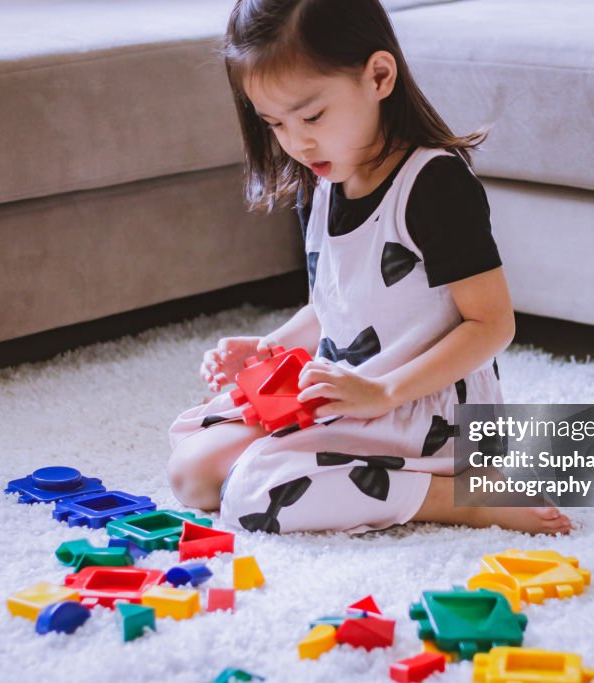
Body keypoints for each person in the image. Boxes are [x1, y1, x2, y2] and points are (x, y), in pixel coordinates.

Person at [167, 0, 572, 536]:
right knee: (193, 464)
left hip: (428, 409)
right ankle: (367, 466)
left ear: (379, 76)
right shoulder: (323, 176)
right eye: (275, 123)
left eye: (311, 116)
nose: (295, 141)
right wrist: (273, 346)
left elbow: (492, 325)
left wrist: (382, 394)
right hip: (352, 388)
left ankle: (462, 497)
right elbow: (340, 302)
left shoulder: (433, 184)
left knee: (250, 493)